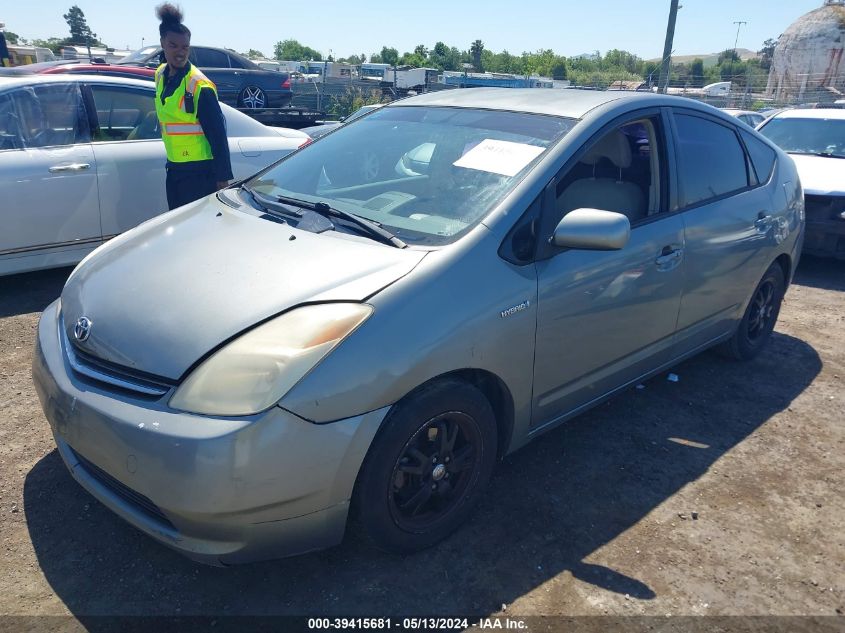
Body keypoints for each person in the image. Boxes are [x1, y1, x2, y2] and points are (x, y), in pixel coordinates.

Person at [154, 3, 233, 210]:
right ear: (162, 43)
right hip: (175, 169)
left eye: (185, 47)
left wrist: (222, 179)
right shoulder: (160, 74)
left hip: (200, 174)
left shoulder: (199, 86)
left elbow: (218, 135)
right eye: (174, 46)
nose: (180, 52)